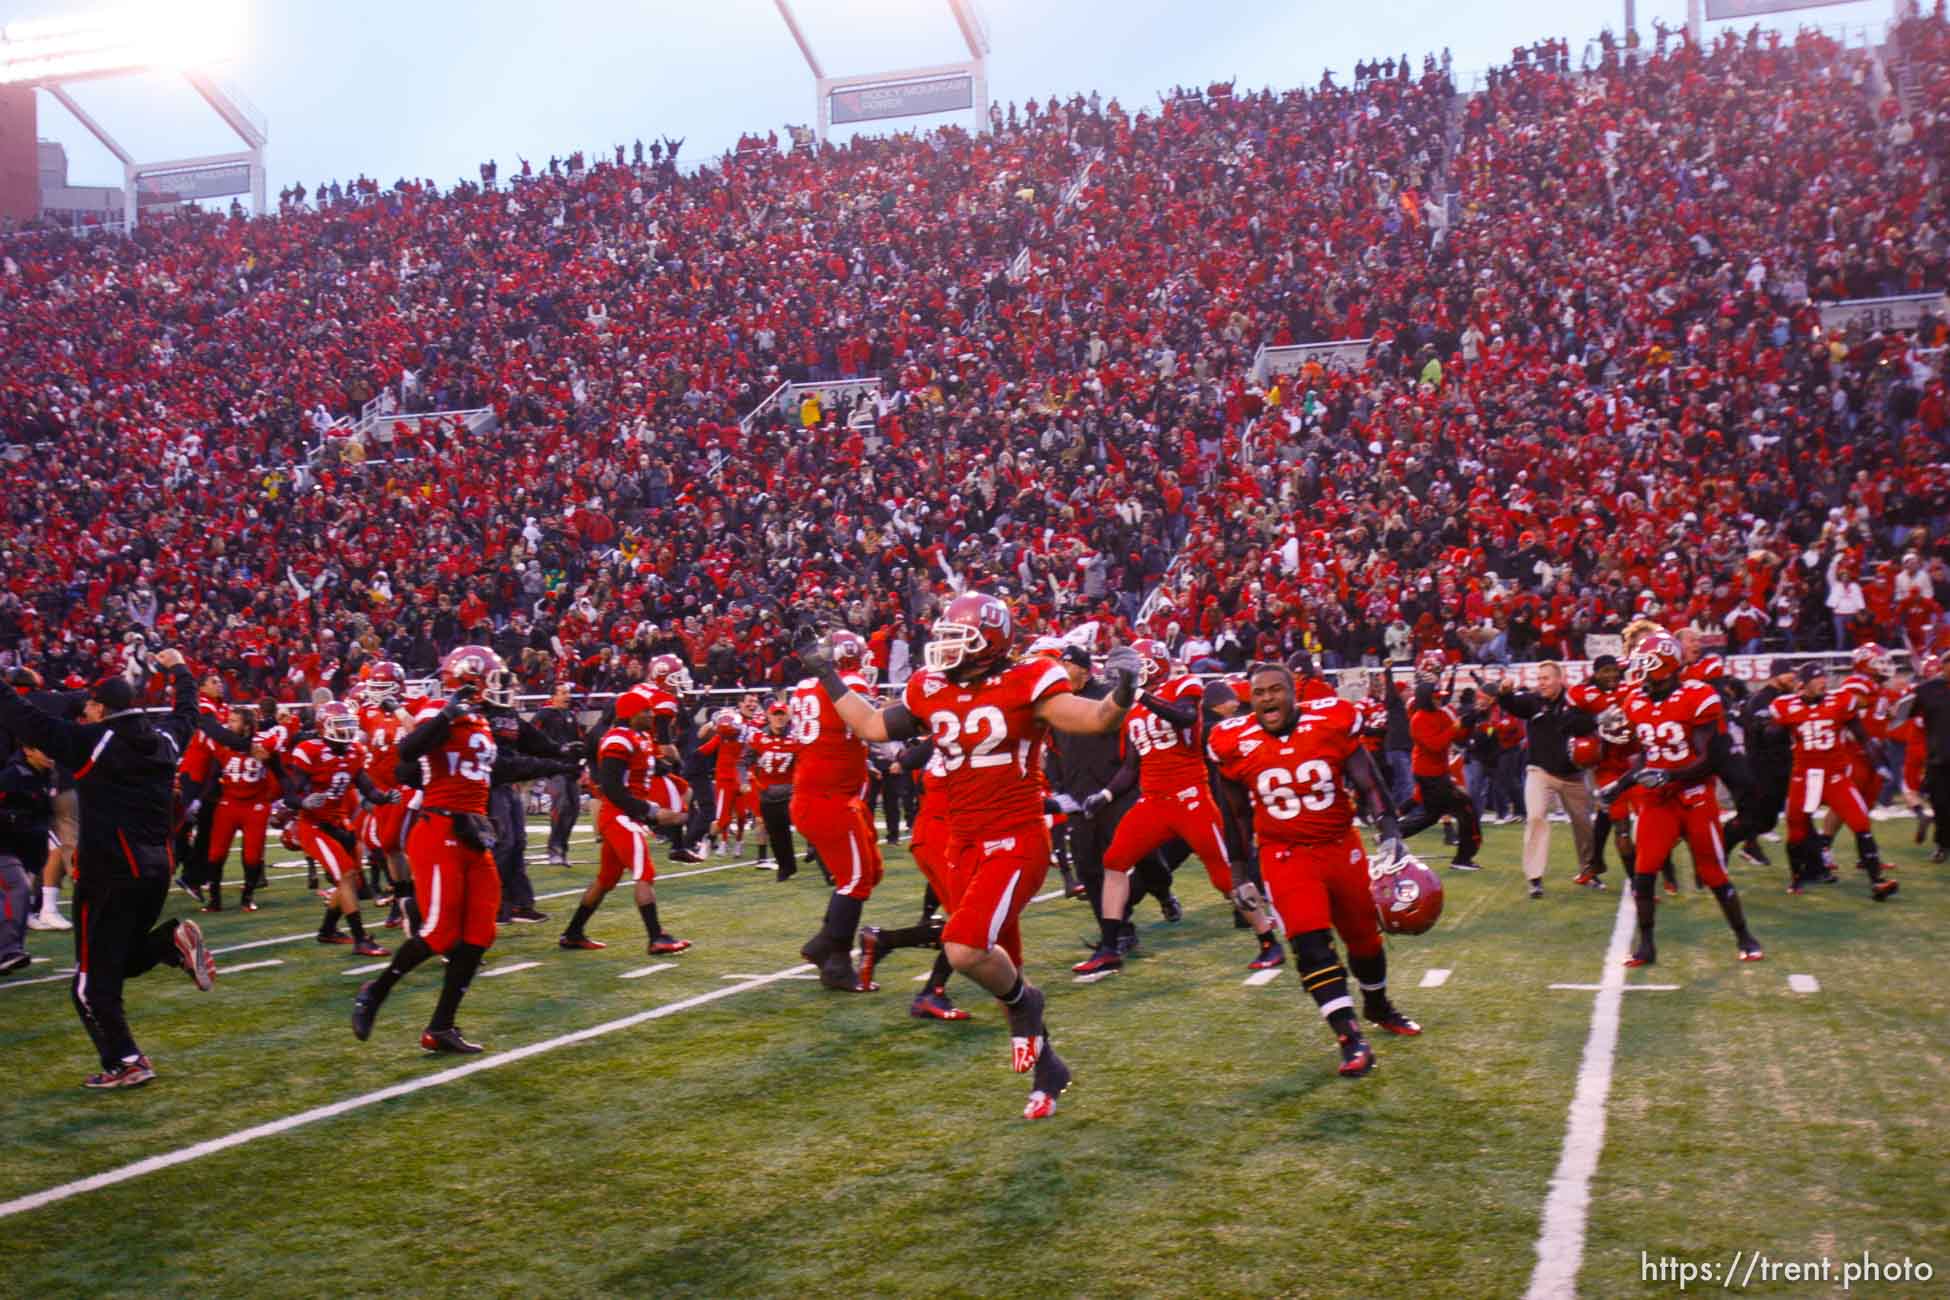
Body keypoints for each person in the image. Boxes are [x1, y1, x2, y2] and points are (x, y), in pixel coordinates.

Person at [805, 592, 1138, 1119]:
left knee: (963, 947)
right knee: (1001, 963)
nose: (944, 648)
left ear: (992, 644)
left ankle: (1029, 1005)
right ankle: (1049, 1067)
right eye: (943, 637)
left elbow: (1096, 718)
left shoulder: (1028, 680)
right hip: (961, 841)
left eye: (959, 639)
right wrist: (826, 674)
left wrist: (1124, 691)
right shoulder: (929, 688)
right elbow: (870, 726)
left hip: (1014, 836)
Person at [0, 652, 217, 1088]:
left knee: (89, 986)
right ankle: (168, 942)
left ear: (100, 708)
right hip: (155, 869)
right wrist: (179, 670)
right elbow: (188, 712)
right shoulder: (162, 740)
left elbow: (20, 715)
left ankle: (126, 1061)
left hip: (109, 873)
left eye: (90, 707)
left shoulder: (92, 743)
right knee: (114, 963)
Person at [1208, 663, 1423, 1078]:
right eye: (1259, 692)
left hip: (1341, 846)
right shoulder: (1233, 740)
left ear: (1293, 693)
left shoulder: (1330, 721)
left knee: (1364, 939)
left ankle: (1377, 1004)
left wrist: (1389, 828)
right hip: (1285, 854)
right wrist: (1238, 873)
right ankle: (1350, 1038)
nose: (1267, 698)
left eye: (1275, 690)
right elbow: (1234, 814)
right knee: (1309, 944)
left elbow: (1368, 783)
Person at [1072, 639, 1285, 975]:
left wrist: (1139, 694)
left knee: (1224, 875)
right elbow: (1131, 767)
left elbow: (1185, 718)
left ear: (1155, 662)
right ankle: (1110, 946)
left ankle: (1269, 941)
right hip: (1153, 801)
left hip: (1190, 798)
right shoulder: (1133, 711)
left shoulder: (1182, 685)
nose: (1129, 676)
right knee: (1114, 860)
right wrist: (1106, 796)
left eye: (1136, 667)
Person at [351, 646, 507, 1054]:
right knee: (439, 932)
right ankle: (376, 991)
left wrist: (555, 762)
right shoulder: (436, 711)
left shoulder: (481, 721)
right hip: (438, 828)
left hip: (472, 830)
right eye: (491, 675)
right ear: (467, 678)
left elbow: (491, 771)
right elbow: (409, 751)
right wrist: (446, 716)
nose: (499, 683)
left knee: (480, 933)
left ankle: (440, 1027)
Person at [1597, 633, 1763, 968]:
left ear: (1665, 666)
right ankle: (1647, 945)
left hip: (1695, 797)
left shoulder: (1698, 696)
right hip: (1659, 801)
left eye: (1645, 666)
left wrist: (1671, 775)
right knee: (1644, 872)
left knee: (1713, 872)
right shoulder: (1636, 701)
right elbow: (1648, 755)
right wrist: (1622, 784)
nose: (1638, 674)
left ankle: (1745, 936)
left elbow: (1712, 757)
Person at [557, 685, 693, 953]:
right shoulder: (618, 738)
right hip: (619, 815)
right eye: (645, 711)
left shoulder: (638, 735)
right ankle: (656, 937)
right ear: (630, 714)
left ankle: (573, 933)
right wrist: (650, 812)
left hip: (628, 814)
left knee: (606, 880)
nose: (651, 715)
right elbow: (612, 787)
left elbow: (642, 772)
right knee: (644, 871)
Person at [787, 630, 885, 992]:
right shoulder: (850, 682)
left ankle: (824, 945)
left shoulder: (804, 687)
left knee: (869, 873)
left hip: (819, 793)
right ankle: (836, 961)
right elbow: (870, 727)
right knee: (856, 881)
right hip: (830, 798)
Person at [1769, 664, 1897, 900]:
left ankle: (1877, 881)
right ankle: (1796, 878)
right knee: (1795, 830)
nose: (1823, 682)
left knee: (1860, 823)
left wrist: (1878, 762)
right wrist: (1766, 727)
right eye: (1817, 679)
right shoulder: (1785, 706)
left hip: (1835, 777)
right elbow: (1771, 733)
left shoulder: (1840, 701)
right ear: (1804, 683)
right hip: (1803, 777)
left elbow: (1863, 737)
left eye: (1824, 678)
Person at [285, 700, 395, 958]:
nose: (345, 732)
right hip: (314, 825)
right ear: (324, 727)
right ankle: (361, 938)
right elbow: (290, 793)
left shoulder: (355, 751)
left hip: (340, 823)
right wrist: (303, 801)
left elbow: (368, 788)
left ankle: (328, 929)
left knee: (351, 880)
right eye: (339, 725)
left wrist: (386, 797)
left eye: (348, 725)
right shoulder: (308, 750)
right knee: (346, 876)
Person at [1493, 662, 1598, 899]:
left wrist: (1567, 718)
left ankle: (1589, 870)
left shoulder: (1575, 702)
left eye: (1546, 678)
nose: (1541, 683)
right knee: (1536, 817)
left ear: (1560, 679)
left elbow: (1589, 724)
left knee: (1584, 825)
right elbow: (1511, 704)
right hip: (1540, 772)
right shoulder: (1533, 702)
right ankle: (1535, 877)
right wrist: (1505, 692)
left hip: (1572, 775)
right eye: (1539, 678)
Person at [1397, 654, 1482, 869]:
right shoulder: (1418, 720)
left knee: (1431, 815)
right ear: (1426, 697)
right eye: (1435, 697)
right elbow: (1435, 746)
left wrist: (1470, 720)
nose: (1439, 699)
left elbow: (1458, 737)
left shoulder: (1440, 714)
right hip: (1429, 775)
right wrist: (1454, 728)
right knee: (1466, 808)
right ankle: (1463, 858)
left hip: (1438, 773)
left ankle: (1391, 836)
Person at [1893, 653, 1949, 862]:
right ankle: (1942, 844)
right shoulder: (1926, 690)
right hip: (1936, 756)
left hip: (1923, 750)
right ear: (1943, 667)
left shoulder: (1921, 688)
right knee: (1941, 804)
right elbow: (1901, 715)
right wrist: (1895, 704)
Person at [528, 683, 585, 866]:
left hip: (571, 767)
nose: (567, 696)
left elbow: (578, 740)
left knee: (574, 808)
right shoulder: (543, 714)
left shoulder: (570, 715)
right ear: (553, 696)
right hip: (554, 766)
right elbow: (529, 734)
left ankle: (562, 847)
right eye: (563, 693)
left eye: (568, 692)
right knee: (561, 805)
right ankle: (554, 848)